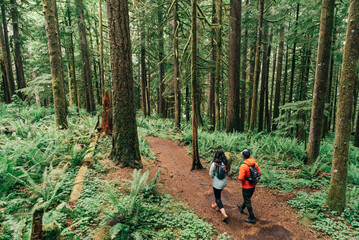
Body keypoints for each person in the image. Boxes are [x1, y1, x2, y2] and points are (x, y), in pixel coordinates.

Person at [237, 149, 261, 224]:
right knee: (247, 198)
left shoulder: (244, 166)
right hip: (253, 184)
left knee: (247, 200)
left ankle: (252, 218)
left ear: (243, 156)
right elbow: (259, 173)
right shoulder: (254, 164)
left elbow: (240, 178)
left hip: (246, 186)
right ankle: (242, 208)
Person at [209, 149, 231, 222]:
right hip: (224, 182)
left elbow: (211, 173)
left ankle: (223, 213)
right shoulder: (226, 163)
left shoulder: (215, 164)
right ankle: (216, 205)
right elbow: (229, 173)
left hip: (217, 183)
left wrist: (214, 178)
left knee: (218, 198)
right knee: (218, 194)